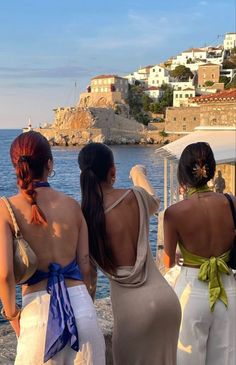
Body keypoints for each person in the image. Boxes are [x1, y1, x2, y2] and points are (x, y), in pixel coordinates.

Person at [0, 131, 105, 365]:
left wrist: (13, 317)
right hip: (82, 310)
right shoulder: (72, 205)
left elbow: (5, 274)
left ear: (16, 165)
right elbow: (86, 268)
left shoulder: (6, 209)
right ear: (49, 163)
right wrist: (84, 306)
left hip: (38, 315)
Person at [78, 142, 181, 365]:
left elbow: (89, 275)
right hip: (166, 300)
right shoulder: (135, 197)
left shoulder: (84, 217)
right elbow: (155, 201)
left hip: (130, 311)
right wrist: (137, 172)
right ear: (113, 172)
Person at [164, 142, 236, 365]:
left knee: (186, 358)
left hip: (192, 291)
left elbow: (168, 261)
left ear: (182, 174)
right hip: (228, 290)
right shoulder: (231, 202)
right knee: (226, 357)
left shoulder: (174, 213)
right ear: (211, 170)